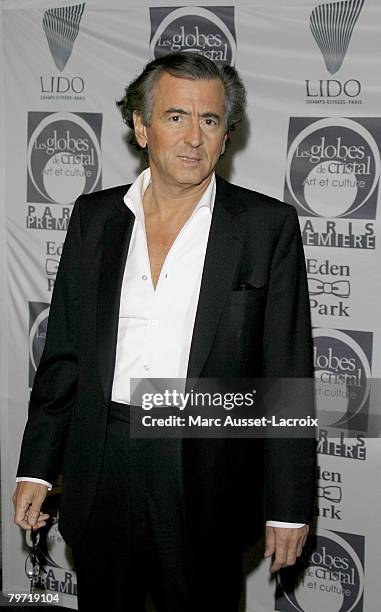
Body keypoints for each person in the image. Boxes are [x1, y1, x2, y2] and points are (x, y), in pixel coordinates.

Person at [13, 52, 316, 611]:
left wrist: (289, 503)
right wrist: (37, 465)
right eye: (176, 116)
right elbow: (65, 356)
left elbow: (286, 371)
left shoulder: (265, 228)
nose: (193, 138)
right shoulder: (95, 218)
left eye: (210, 120)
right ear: (141, 125)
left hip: (205, 469)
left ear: (228, 135)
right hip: (102, 458)